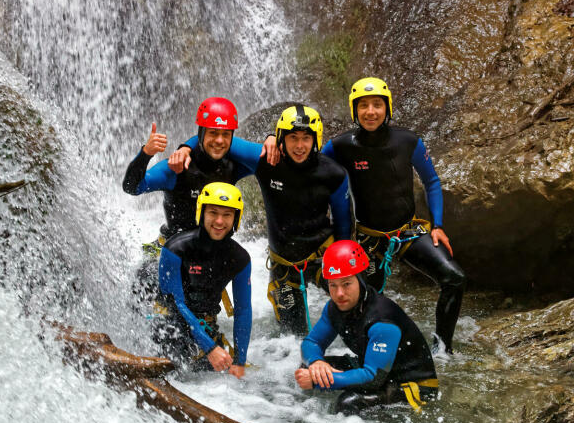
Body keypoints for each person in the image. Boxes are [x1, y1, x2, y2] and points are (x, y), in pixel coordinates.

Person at [268, 78, 466, 352]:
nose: (370, 111)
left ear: (387, 108)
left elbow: (431, 181)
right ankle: (366, 353)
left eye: (377, 105)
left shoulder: (409, 141)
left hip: (407, 232)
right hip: (368, 241)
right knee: (364, 302)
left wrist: (438, 225)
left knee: (454, 278)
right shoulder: (341, 146)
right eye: (363, 106)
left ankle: (443, 349)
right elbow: (310, 163)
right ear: (354, 110)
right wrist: (273, 139)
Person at [217, 104, 351, 335]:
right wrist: (184, 149)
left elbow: (344, 225)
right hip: (285, 265)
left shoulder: (333, 173)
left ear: (316, 139)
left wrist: (347, 269)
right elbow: (220, 139)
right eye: (292, 138)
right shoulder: (265, 160)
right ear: (281, 138)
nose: (299, 146)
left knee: (355, 311)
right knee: (293, 337)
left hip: (323, 256)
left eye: (306, 138)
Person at [294, 240, 439, 415]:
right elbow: (312, 342)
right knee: (308, 367)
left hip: (411, 386)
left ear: (361, 280)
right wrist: (317, 363)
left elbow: (372, 378)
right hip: (378, 372)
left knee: (347, 403)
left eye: (346, 284)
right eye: (333, 285)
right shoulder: (334, 308)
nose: (339, 294)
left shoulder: (382, 321)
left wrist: (320, 381)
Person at [122, 97, 258, 241]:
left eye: (225, 134)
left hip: (212, 250)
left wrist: (272, 138)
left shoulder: (234, 165)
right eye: (213, 133)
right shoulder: (177, 167)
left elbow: (269, 159)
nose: (219, 140)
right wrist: (145, 154)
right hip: (172, 248)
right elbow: (132, 187)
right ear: (201, 133)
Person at [155, 182, 251, 379]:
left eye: (227, 215)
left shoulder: (240, 258)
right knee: (172, 374)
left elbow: (243, 310)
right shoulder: (176, 249)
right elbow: (175, 303)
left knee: (225, 378)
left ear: (236, 218)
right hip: (169, 321)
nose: (219, 221)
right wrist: (210, 348)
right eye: (213, 213)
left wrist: (240, 361)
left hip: (203, 324)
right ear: (202, 213)